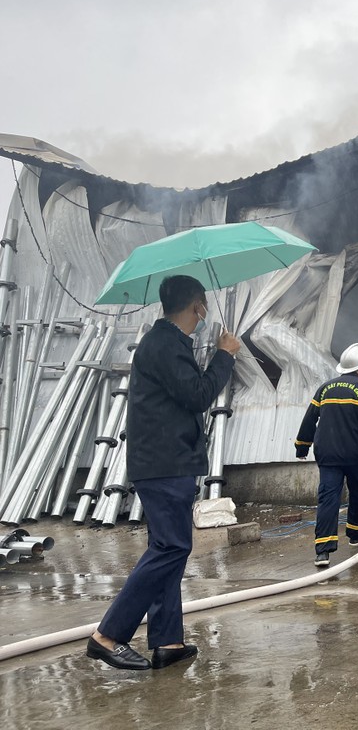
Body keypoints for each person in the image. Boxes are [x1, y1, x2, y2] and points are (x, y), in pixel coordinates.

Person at [87, 275, 240, 671]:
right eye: (203, 307)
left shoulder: (166, 344)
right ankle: (108, 635)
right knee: (171, 548)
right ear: (198, 308)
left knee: (170, 549)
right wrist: (225, 355)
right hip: (165, 462)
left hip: (164, 460)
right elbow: (198, 395)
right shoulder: (166, 345)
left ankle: (168, 641)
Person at [295, 342, 358, 567]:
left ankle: (323, 551)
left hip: (327, 455)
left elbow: (309, 419)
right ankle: (357, 534)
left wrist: (302, 446)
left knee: (328, 498)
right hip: (355, 454)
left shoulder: (324, 388)